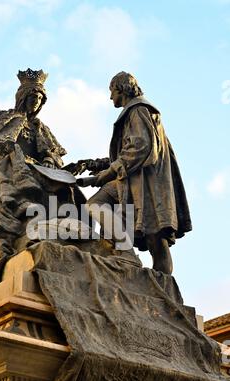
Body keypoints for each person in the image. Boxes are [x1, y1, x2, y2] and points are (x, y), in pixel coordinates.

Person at [0, 69, 72, 291]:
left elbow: (54, 154)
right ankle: (4, 241)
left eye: (39, 101)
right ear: (23, 97)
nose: (35, 105)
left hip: (35, 173)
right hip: (3, 170)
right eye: (32, 99)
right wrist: (0, 145)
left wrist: (48, 159)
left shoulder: (40, 128)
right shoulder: (5, 119)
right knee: (8, 182)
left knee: (64, 187)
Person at [75, 71, 192, 274]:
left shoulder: (138, 110)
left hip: (146, 183)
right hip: (132, 180)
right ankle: (124, 251)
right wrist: (94, 165)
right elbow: (125, 153)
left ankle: (159, 285)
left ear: (121, 89)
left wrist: (105, 175)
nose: (110, 97)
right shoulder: (136, 112)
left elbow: (140, 148)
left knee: (156, 238)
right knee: (98, 204)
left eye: (111, 91)